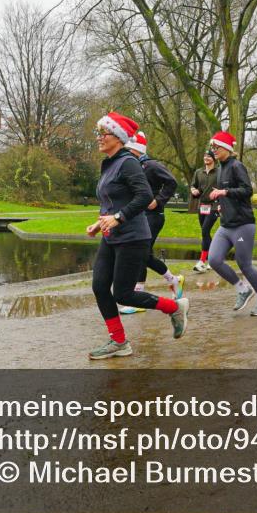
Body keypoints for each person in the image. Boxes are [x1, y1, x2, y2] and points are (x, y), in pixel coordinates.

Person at [86, 112, 189, 359]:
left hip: (133, 237)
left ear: (119, 138)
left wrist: (119, 218)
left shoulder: (128, 162)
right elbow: (114, 200)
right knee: (100, 287)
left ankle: (174, 307)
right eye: (98, 133)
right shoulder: (109, 163)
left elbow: (143, 196)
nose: (99, 138)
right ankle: (119, 342)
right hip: (112, 236)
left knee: (123, 294)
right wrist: (100, 223)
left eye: (104, 134)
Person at [206, 131, 257, 317]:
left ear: (227, 148)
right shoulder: (220, 168)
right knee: (213, 259)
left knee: (244, 264)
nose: (214, 151)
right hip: (226, 224)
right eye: (213, 148)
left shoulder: (237, 166)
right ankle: (242, 289)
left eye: (217, 147)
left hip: (243, 224)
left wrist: (224, 193)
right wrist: (222, 205)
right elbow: (226, 194)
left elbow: (247, 191)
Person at [119, 131, 183, 315]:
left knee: (141, 254)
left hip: (154, 216)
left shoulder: (152, 165)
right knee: (143, 255)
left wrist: (158, 200)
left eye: (128, 150)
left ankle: (139, 297)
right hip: (138, 216)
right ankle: (173, 280)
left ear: (136, 150)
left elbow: (171, 182)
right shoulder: (130, 167)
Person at [190, 151, 218, 273]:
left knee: (205, 230)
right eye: (205, 156)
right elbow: (192, 186)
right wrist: (194, 190)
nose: (206, 158)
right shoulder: (198, 172)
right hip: (202, 206)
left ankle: (202, 261)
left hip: (215, 206)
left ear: (213, 159)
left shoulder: (219, 172)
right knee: (205, 233)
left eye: (209, 156)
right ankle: (213, 260)